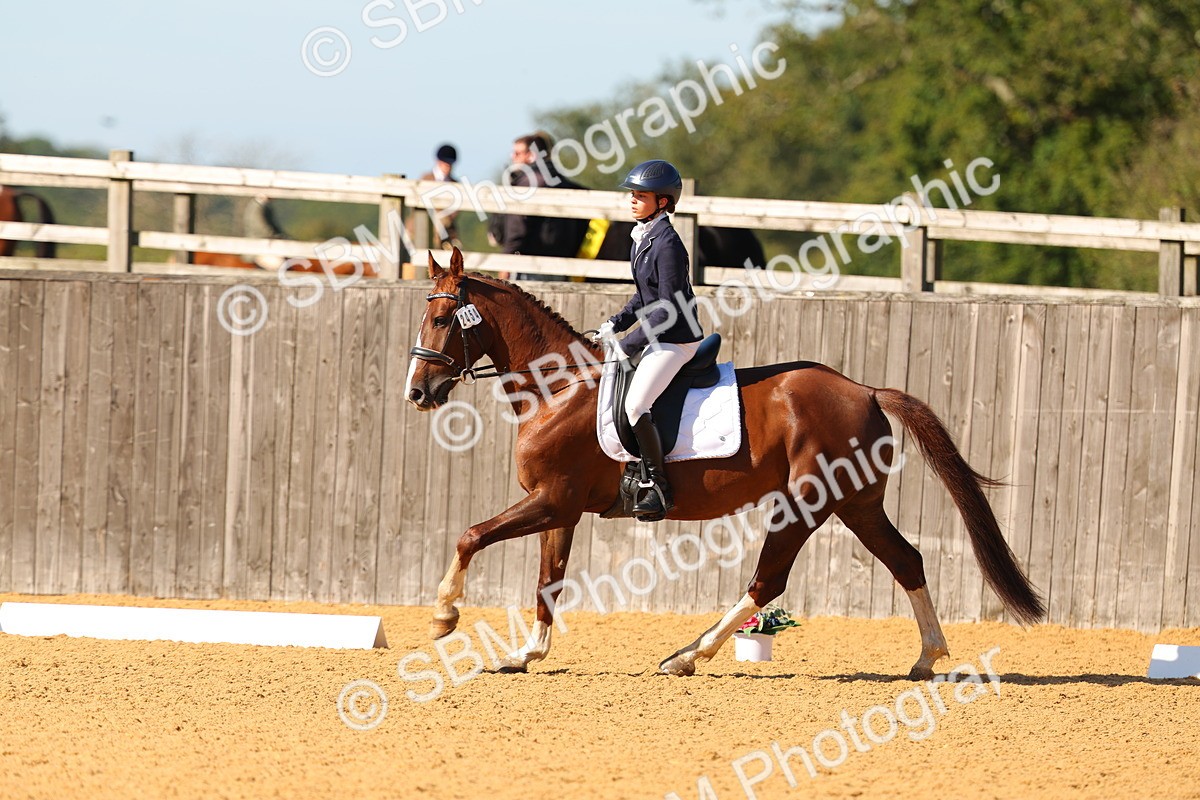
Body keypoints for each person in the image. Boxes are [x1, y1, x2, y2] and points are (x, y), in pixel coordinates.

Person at [592, 159, 703, 522]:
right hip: (658, 335)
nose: (633, 200)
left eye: (641, 195)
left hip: (676, 340)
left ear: (664, 201)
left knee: (636, 406)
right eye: (633, 195)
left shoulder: (667, 243)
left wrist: (631, 342)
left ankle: (658, 485)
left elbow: (669, 308)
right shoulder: (643, 237)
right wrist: (615, 323)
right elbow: (643, 296)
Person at [490, 132, 588, 281]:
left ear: (532, 155)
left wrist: (506, 261)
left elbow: (517, 227)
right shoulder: (560, 181)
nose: (512, 157)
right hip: (561, 264)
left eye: (518, 153)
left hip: (531, 264)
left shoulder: (528, 182)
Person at [410, 142, 461, 249]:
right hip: (421, 223)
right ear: (438, 161)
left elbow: (455, 211)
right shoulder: (425, 178)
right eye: (445, 163)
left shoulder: (455, 183)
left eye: (450, 164)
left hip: (446, 227)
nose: (447, 167)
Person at [242, 193, 287, 269]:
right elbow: (260, 227)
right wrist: (276, 235)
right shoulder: (257, 207)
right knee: (279, 265)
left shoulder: (265, 206)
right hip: (259, 247)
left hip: (268, 244)